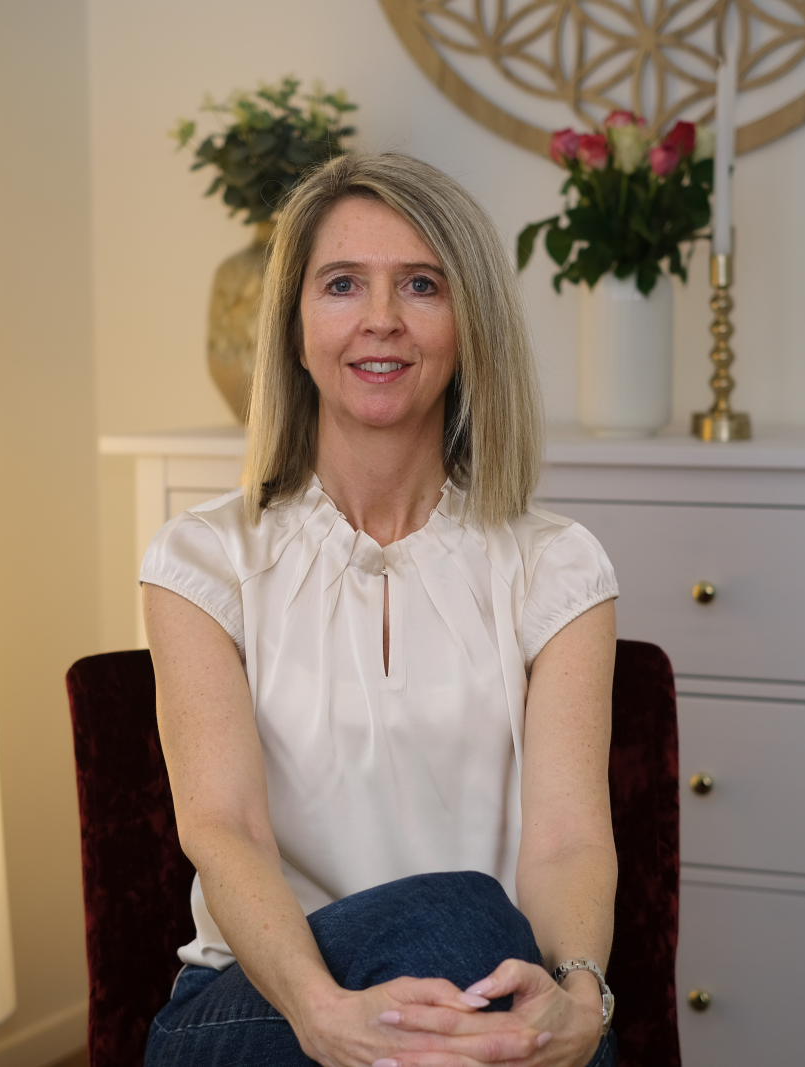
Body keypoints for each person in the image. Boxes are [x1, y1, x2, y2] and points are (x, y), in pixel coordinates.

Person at [140, 151, 620, 1067]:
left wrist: (581, 997)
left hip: (486, 996)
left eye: (422, 284)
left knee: (509, 982)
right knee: (461, 913)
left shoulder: (557, 566)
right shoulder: (201, 559)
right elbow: (225, 828)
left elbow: (566, 841)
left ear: (470, 324)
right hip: (260, 1012)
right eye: (343, 284)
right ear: (295, 328)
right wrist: (324, 1011)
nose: (381, 319)